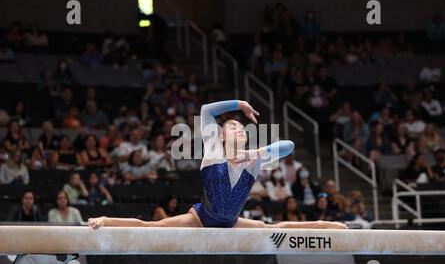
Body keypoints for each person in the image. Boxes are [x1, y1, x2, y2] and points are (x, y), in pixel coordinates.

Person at [88, 100, 347, 229]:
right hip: (201, 218)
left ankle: (331, 226)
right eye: (232, 126)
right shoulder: (213, 150)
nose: (239, 129)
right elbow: (205, 111)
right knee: (153, 227)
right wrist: (239, 104)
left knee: (276, 228)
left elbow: (288, 146)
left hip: (232, 221)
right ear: (221, 135)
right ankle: (105, 219)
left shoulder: (255, 158)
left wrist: (256, 152)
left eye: (241, 127)